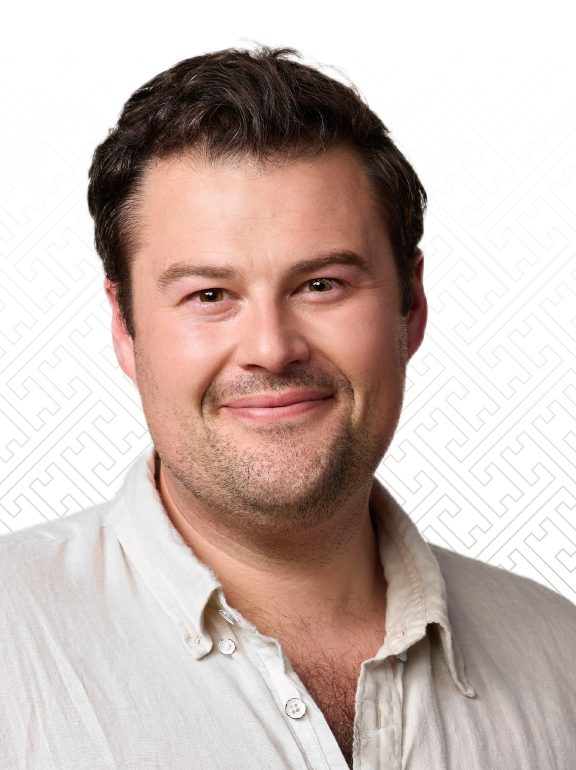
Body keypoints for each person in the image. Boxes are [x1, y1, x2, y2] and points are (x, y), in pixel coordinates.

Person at [1, 46, 575, 770]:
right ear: (124, 326)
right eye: (210, 295)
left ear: (412, 305)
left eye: (322, 285)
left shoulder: (560, 656)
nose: (271, 350)